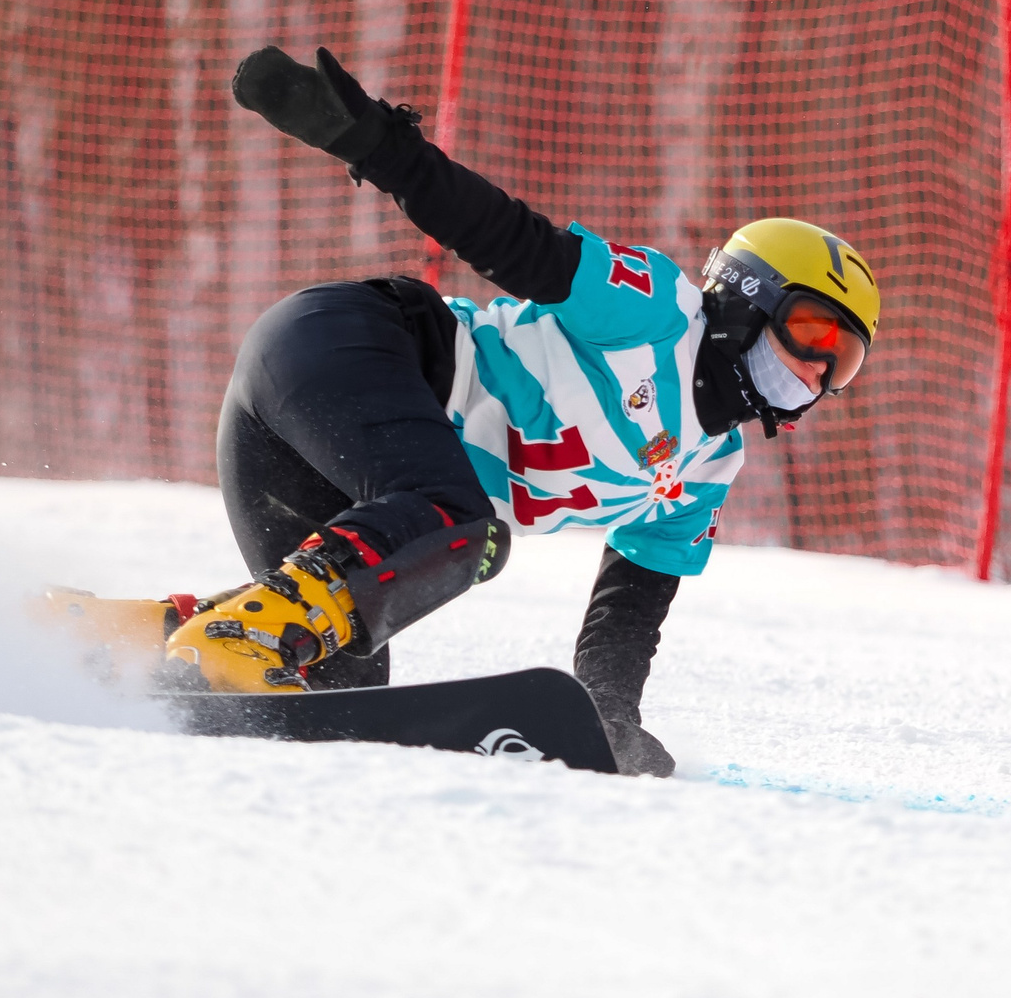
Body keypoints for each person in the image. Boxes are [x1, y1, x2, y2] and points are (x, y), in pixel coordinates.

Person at [167, 44, 881, 776]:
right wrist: (381, 145)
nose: (817, 370)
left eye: (843, 362)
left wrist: (603, 719)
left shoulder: (706, 469)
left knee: (340, 676)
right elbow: (507, 237)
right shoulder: (659, 312)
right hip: (349, 346)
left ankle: (157, 638)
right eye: (813, 332)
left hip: (322, 436)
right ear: (749, 293)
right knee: (462, 526)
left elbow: (628, 612)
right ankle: (232, 636)